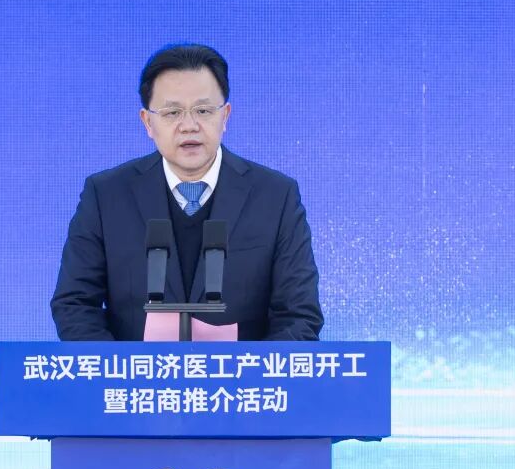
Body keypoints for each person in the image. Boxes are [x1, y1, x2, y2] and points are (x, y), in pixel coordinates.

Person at [51, 44, 322, 341]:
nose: (189, 126)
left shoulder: (276, 197)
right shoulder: (106, 196)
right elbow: (75, 304)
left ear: (225, 116)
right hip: (136, 372)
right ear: (148, 122)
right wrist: (120, 368)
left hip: (242, 372)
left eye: (203, 111)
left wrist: (248, 370)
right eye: (172, 112)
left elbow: (299, 315)